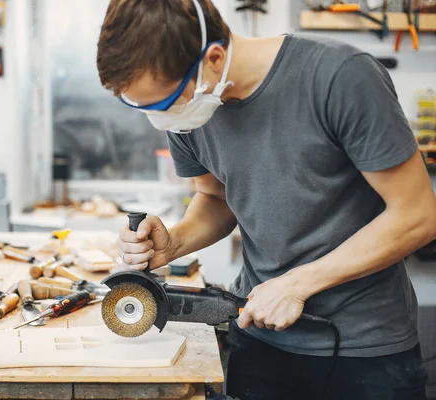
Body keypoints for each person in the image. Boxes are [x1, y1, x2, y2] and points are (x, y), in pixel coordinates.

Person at [96, 1, 436, 399]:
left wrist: (297, 283)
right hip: (258, 337)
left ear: (214, 59)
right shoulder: (188, 109)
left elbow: (417, 215)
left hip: (364, 349)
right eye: (145, 107)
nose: (160, 118)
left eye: (162, 104)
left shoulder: (340, 77)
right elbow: (216, 197)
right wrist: (177, 240)